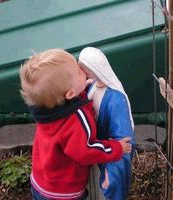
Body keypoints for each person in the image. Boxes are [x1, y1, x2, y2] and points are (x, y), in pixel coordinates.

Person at [19, 48, 132, 200]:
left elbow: (71, 98)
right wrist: (116, 147)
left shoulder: (47, 110)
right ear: (70, 94)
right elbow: (87, 150)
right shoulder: (74, 120)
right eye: (79, 72)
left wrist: (82, 86)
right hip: (64, 192)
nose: (82, 70)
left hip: (41, 182)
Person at [79, 47, 135, 200]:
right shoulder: (91, 86)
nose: (82, 75)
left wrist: (112, 173)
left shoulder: (116, 99)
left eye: (85, 71)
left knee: (102, 192)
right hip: (94, 152)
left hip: (106, 158)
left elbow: (124, 141)